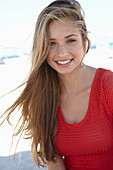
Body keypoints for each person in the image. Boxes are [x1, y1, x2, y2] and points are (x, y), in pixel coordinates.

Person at [1, 0, 113, 169]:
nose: (62, 53)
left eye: (70, 40)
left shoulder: (107, 85)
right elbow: (52, 158)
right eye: (52, 43)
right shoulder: (41, 95)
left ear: (84, 40)